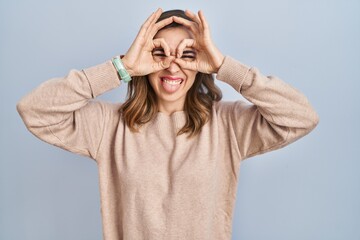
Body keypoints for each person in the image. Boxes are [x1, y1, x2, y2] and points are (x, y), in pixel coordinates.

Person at [17, 8, 319, 240]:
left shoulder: (228, 125)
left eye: (187, 54)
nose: (173, 64)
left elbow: (301, 116)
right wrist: (120, 68)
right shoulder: (108, 126)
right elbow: (35, 110)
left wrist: (224, 67)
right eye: (159, 53)